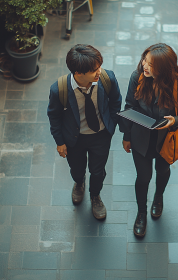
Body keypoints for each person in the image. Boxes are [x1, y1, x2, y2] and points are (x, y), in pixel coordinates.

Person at [120, 43, 178, 237]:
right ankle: (141, 214)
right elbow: (129, 107)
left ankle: (158, 198)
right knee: (143, 178)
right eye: (145, 60)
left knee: (162, 171)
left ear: (163, 68)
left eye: (151, 64)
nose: (144, 66)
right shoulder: (137, 77)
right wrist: (127, 136)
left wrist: (175, 120)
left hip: (166, 141)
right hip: (140, 139)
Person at [47, 44, 122, 220]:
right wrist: (59, 142)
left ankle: (95, 196)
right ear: (78, 73)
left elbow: (116, 103)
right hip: (75, 138)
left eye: (99, 67)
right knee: (77, 168)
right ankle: (79, 183)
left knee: (98, 171)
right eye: (94, 70)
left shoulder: (107, 78)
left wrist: (111, 126)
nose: (99, 72)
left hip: (101, 135)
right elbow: (54, 117)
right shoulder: (59, 89)